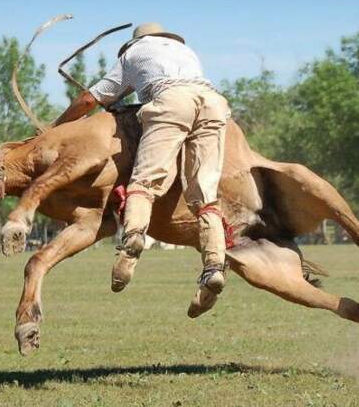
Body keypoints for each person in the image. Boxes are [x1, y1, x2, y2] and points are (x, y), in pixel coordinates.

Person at [55, 23, 231, 316]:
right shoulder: (186, 51)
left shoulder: (134, 53)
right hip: (214, 103)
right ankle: (213, 265)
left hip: (171, 101)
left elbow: (90, 99)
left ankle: (133, 239)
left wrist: (56, 130)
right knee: (204, 195)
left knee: (144, 184)